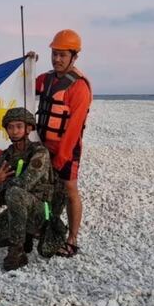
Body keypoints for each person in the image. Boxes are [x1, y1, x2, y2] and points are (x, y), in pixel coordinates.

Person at [0, 108, 56, 271]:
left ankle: (17, 252)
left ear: (28, 128)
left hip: (40, 214)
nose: (14, 131)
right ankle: (21, 235)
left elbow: (23, 184)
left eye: (19, 126)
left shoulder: (39, 152)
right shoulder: (4, 157)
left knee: (14, 192)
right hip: (16, 214)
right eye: (10, 127)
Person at [35, 29, 92, 257]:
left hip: (66, 148)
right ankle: (41, 227)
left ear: (74, 56)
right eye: (54, 54)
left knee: (70, 190)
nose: (57, 59)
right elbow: (24, 84)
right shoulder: (47, 79)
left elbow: (74, 128)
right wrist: (28, 62)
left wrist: (62, 157)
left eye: (63, 55)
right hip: (43, 145)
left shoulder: (79, 87)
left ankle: (72, 239)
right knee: (42, 189)